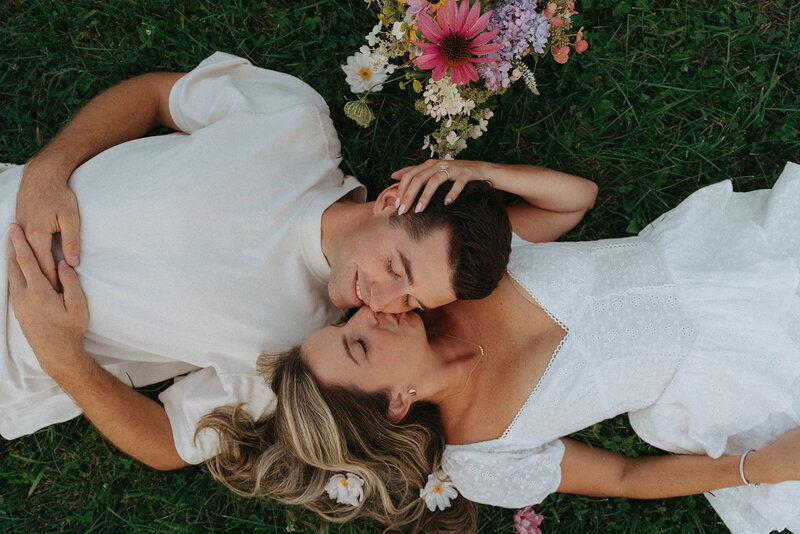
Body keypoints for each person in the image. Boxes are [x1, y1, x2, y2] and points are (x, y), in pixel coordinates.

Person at [2, 53, 598, 470]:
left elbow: (169, 444)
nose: (381, 300)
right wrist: (48, 169)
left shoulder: (302, 352)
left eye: (411, 301)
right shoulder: (294, 121)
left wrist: (63, 359)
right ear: (393, 200)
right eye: (397, 270)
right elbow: (158, 95)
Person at [200, 161, 800, 533]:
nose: (367, 313)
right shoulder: (482, 458)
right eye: (358, 345)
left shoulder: (451, 280)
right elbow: (623, 476)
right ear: (398, 403)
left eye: (343, 325)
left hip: (730, 261)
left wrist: (479, 173)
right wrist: (757, 468)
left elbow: (576, 197)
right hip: (736, 375)